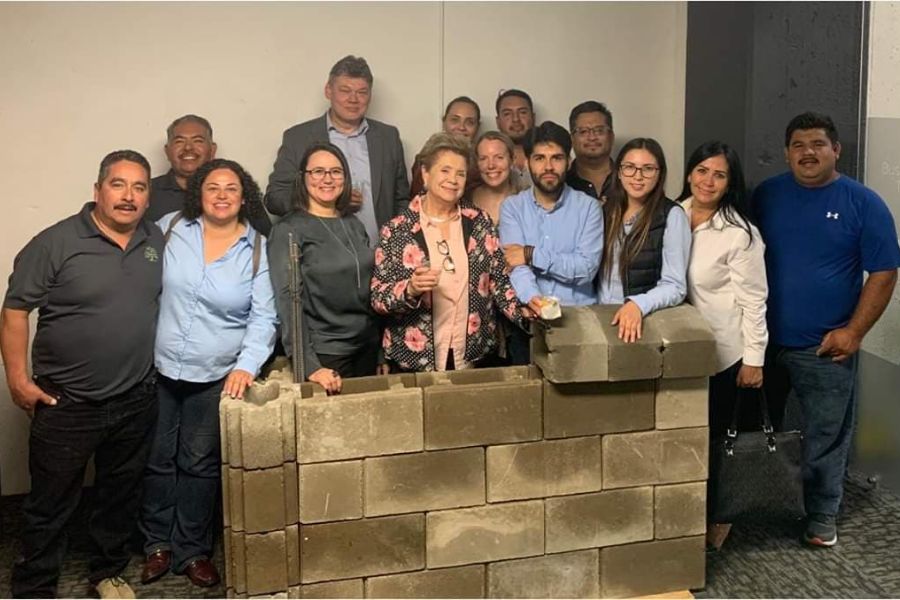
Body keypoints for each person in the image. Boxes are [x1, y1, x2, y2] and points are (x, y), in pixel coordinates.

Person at [1, 150, 163, 599]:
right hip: (67, 403)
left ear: (148, 197)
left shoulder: (156, 241)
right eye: (118, 184)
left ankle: (107, 574)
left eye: (139, 187)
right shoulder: (55, 242)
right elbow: (15, 311)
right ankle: (35, 588)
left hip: (135, 398)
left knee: (119, 496)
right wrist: (18, 379)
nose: (128, 196)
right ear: (97, 191)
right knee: (50, 505)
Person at [754, 111, 900, 547]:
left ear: (836, 150)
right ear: (786, 152)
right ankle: (756, 505)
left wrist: (854, 332)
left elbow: (884, 270)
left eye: (818, 144)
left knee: (826, 436)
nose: (808, 153)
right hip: (760, 342)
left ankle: (821, 516)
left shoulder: (863, 202)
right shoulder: (765, 195)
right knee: (758, 430)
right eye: (798, 145)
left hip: (826, 346)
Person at [139, 159, 277, 588]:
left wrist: (246, 365)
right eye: (213, 187)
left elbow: (264, 317)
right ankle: (156, 545)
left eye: (231, 188)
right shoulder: (169, 228)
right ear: (199, 192)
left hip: (215, 372)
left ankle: (193, 550)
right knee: (158, 461)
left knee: (198, 464)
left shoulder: (257, 248)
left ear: (244, 196)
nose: (221, 195)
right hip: (158, 369)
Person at [370, 132, 531, 371]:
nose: (453, 180)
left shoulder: (479, 222)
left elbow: (499, 283)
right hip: (413, 359)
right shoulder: (397, 230)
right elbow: (378, 298)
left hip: (471, 356)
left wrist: (525, 313)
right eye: (445, 171)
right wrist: (410, 289)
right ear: (426, 173)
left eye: (460, 173)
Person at [677, 140, 768, 551]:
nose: (708, 180)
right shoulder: (672, 214)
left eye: (719, 174)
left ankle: (720, 515)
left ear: (730, 183)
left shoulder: (740, 234)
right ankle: (685, 516)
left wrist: (754, 360)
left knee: (717, 443)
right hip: (678, 352)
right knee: (683, 439)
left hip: (723, 355)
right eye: (702, 170)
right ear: (690, 172)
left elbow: (754, 301)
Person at [268, 143, 380, 394]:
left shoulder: (353, 223)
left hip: (366, 348)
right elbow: (288, 302)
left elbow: (370, 289)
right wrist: (308, 364)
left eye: (336, 172)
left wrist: (380, 351)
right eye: (317, 171)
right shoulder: (288, 230)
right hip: (326, 354)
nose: (327, 179)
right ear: (302, 178)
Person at [264, 55, 410, 246]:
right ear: (328, 91)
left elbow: (402, 200)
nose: (353, 99)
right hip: (320, 259)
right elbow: (275, 198)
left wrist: (396, 247)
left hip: (381, 258)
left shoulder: (388, 138)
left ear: (370, 96)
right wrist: (327, 199)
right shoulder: (298, 138)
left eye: (362, 92)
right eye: (345, 90)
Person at [499, 121, 604, 364]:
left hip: (579, 322)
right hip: (528, 322)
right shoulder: (512, 208)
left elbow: (586, 269)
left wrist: (531, 253)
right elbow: (516, 266)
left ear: (568, 161)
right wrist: (535, 301)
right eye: (539, 158)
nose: (548, 166)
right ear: (526, 161)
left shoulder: (589, 208)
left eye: (556, 158)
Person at [598, 138, 691, 342]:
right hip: (601, 316)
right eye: (630, 167)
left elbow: (676, 286)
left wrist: (638, 304)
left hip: (641, 321)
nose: (638, 176)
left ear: (659, 174)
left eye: (648, 168)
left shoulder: (672, 215)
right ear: (619, 172)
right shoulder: (606, 211)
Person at [147, 114, 271, 236]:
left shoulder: (237, 193)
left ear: (212, 150)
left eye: (197, 141)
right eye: (179, 141)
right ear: (167, 151)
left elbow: (267, 242)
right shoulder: (146, 192)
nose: (188, 147)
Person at [409, 96, 482, 198]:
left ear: (478, 127)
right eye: (455, 120)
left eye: (469, 122)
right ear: (444, 122)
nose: (461, 127)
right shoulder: (425, 158)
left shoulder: (484, 163)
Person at [469, 130, 525, 224]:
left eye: (499, 157)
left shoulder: (526, 201)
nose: (491, 165)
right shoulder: (466, 198)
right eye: (483, 158)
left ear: (512, 160)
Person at [567, 101, 616, 201]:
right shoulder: (561, 183)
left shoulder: (628, 179)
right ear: (572, 138)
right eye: (583, 131)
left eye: (599, 130)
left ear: (611, 136)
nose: (592, 137)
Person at [495, 89, 535, 189]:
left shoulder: (551, 157)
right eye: (507, 114)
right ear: (498, 121)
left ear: (533, 118)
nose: (516, 119)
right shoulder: (487, 162)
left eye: (522, 112)